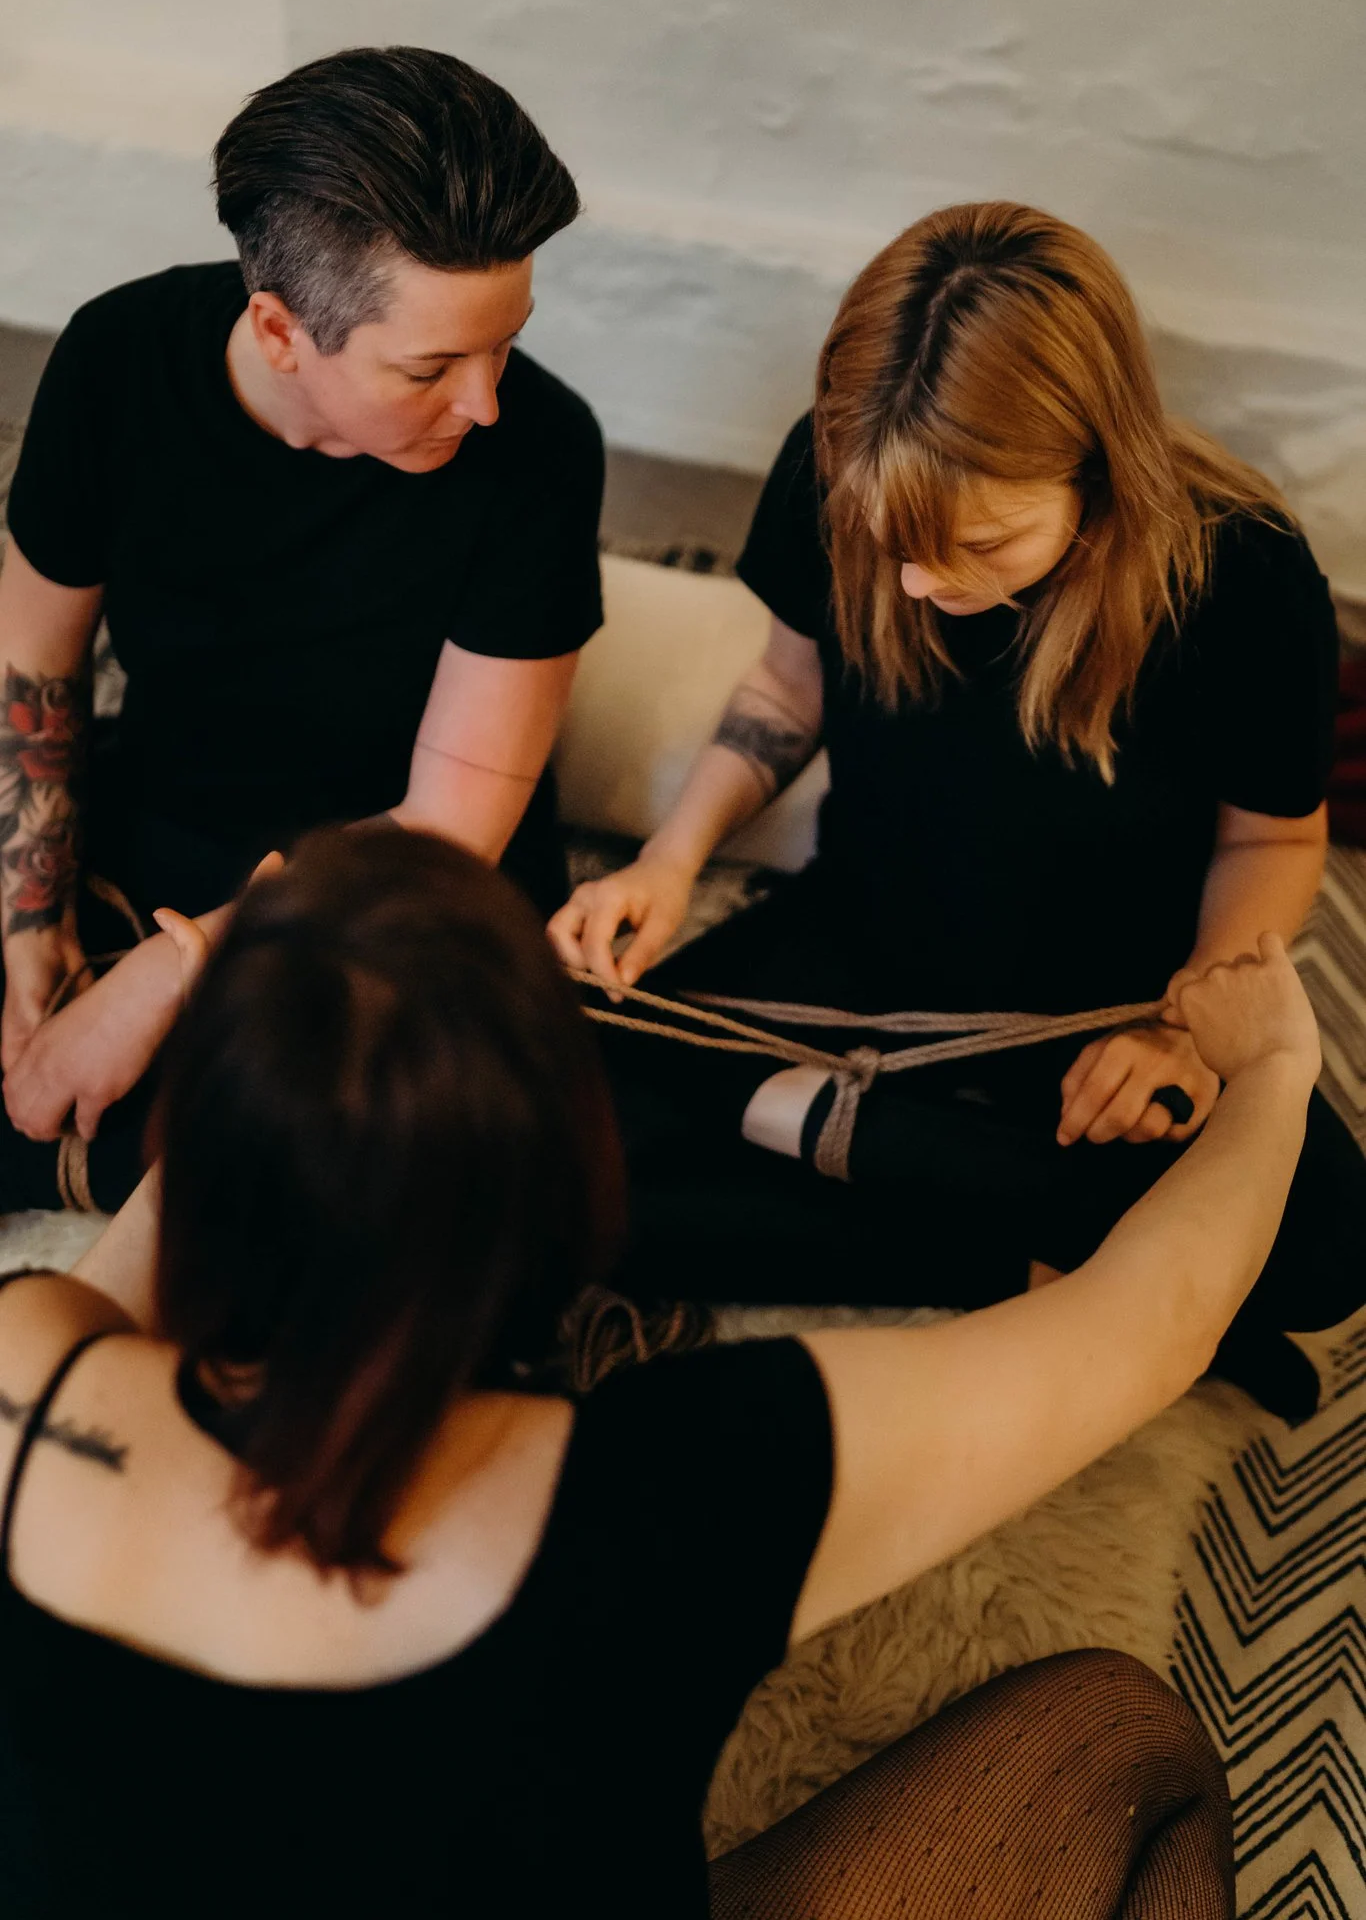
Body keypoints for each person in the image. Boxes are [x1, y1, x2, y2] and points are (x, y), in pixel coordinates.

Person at [0, 820, 1324, 1920]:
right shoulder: (673, 1486)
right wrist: (1271, 1071)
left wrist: (264, 999)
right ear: (559, 1179)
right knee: (1122, 1737)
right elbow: (1151, 1320)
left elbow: (148, 1265)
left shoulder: (30, 1375)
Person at [551, 201, 1365, 1425]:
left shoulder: (1243, 573)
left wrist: (1188, 1030)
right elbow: (785, 683)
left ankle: (831, 1134)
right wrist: (668, 864)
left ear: (1103, 469)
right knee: (549, 1148)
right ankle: (1005, 1252)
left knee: (1328, 1248)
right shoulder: (835, 456)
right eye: (896, 545)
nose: (925, 583)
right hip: (865, 935)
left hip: (1112, 1001)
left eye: (981, 541)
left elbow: (1273, 837)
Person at [0, 45, 604, 1213]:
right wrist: (29, 912)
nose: (484, 401)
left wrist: (169, 974)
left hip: (400, 885)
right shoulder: (115, 361)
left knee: (383, 1163)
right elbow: (33, 663)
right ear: (279, 330)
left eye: (506, 342)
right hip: (166, 812)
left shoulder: (539, 449)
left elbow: (446, 825)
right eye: (431, 365)